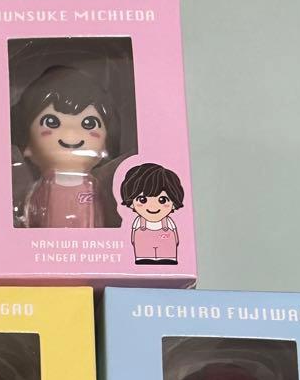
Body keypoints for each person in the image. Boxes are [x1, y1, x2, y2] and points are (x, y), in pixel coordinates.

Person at [12, 65, 114, 228]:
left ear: (105, 144)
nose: (70, 132)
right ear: (28, 145)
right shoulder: (42, 188)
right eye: (51, 122)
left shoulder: (94, 187)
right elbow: (31, 218)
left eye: (89, 123)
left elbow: (102, 218)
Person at [119, 162, 184, 264]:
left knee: (167, 259)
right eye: (143, 200)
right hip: (143, 251)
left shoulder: (169, 222)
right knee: (144, 259)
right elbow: (133, 237)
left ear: (174, 202)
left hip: (167, 252)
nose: (153, 207)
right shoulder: (138, 222)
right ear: (131, 202)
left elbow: (175, 237)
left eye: (162, 200)